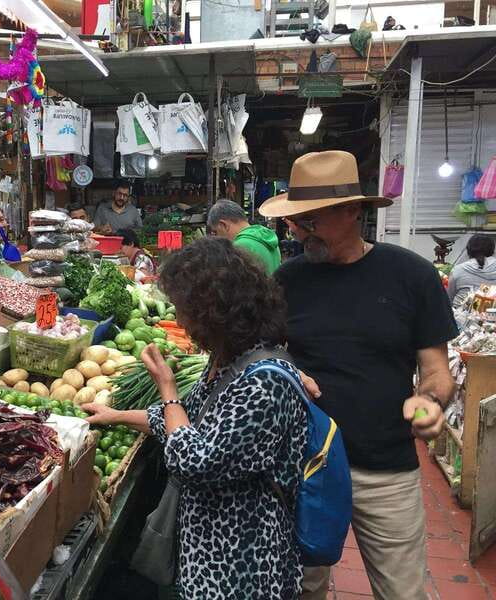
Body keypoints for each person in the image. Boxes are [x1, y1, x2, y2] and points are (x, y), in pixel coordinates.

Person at [259, 151, 458, 600]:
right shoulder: (288, 280)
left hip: (384, 468)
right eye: (294, 221)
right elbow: (267, 357)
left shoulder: (411, 275)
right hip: (306, 466)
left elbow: (437, 373)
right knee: (301, 588)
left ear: (353, 211)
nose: (297, 230)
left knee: (402, 591)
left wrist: (430, 403)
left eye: (310, 220)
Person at [83, 237, 308, 599]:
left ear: (213, 312)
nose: (179, 321)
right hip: (207, 549)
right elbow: (183, 420)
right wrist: (116, 414)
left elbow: (194, 461)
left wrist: (167, 388)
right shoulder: (229, 361)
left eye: (183, 310)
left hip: (240, 562)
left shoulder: (264, 380)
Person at [208, 199, 282, 274]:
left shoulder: (239, 246)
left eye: (215, 232)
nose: (216, 237)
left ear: (223, 225)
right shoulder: (267, 238)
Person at [447, 234, 496, 308]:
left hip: (461, 316)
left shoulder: (458, 269)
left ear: (469, 250)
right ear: (492, 250)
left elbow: (449, 298)